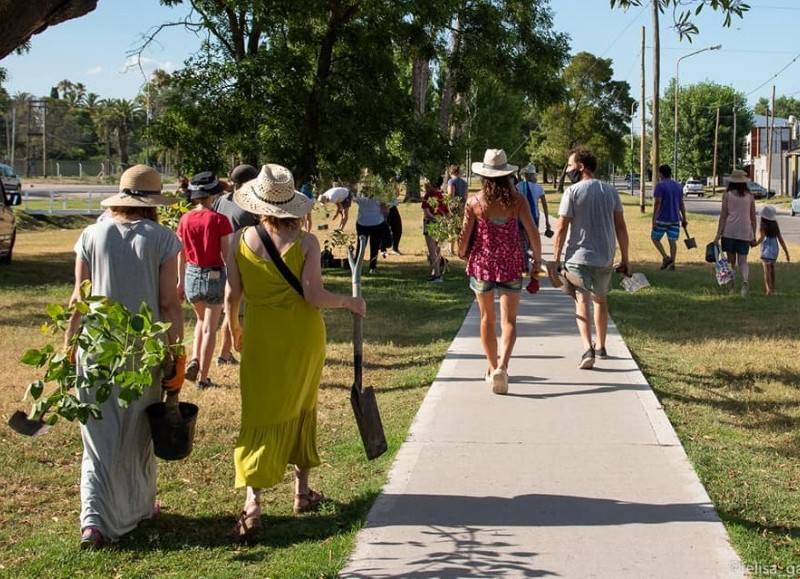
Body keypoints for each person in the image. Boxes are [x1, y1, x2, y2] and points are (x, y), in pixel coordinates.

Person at [224, 163, 366, 542]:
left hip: (260, 335)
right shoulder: (306, 243)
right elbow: (313, 296)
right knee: (303, 406)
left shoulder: (236, 241)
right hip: (302, 338)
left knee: (259, 411)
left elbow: (231, 296)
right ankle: (301, 491)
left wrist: (233, 327)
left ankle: (253, 503)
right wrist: (348, 302)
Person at [65, 165, 184, 548]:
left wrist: (69, 347)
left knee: (97, 437)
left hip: (96, 348)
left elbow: (78, 300)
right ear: (153, 203)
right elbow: (169, 304)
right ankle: (137, 506)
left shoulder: (89, 234)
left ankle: (94, 521)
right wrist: (175, 356)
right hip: (141, 349)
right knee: (137, 432)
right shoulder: (162, 238)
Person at [457, 149, 541, 394]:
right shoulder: (517, 201)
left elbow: (464, 240)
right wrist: (537, 261)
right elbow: (533, 233)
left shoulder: (474, 202)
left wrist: (460, 252)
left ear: (484, 176)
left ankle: (492, 366)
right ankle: (503, 367)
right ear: (507, 175)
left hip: (482, 265)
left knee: (486, 319)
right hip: (511, 264)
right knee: (509, 321)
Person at [551, 146, 630, 370]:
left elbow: (561, 227)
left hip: (578, 257)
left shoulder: (572, 192)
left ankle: (587, 348)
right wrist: (625, 257)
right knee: (601, 301)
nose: (567, 170)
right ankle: (602, 346)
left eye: (569, 166)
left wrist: (555, 259)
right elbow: (621, 227)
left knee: (581, 302)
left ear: (581, 166)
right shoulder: (610, 191)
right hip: (605, 256)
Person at [177, 172, 233, 388]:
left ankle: (195, 359)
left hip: (191, 274)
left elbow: (180, 252)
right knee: (210, 327)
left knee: (200, 321)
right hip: (214, 274)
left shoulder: (185, 219)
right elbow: (225, 255)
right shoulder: (219, 220)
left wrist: (180, 281)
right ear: (213, 194)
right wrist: (233, 280)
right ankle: (203, 377)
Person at [213, 164, 259, 365]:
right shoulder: (250, 205)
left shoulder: (221, 200)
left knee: (230, 309)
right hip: (242, 262)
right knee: (237, 312)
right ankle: (227, 353)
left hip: (222, 261)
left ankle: (225, 353)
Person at [714, 169, 756, 297]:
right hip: (744, 231)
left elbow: (723, 216)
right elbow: (753, 218)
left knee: (731, 261)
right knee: (743, 261)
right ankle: (745, 280)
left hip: (729, 231)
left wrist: (718, 234)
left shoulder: (727, 195)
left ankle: (732, 287)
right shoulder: (750, 196)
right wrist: (753, 234)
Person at [650, 164, 687, 270]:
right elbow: (681, 203)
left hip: (662, 218)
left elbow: (658, 202)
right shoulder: (678, 186)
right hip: (675, 218)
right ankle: (673, 263)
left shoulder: (660, 186)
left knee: (655, 238)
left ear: (660, 173)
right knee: (672, 240)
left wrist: (654, 218)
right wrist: (684, 218)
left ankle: (666, 257)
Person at [353, 183, 390, 274]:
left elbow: (355, 200)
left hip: (362, 223)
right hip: (376, 223)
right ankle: (372, 267)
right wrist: (385, 217)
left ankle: (357, 266)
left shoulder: (360, 196)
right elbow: (385, 209)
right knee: (374, 245)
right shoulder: (379, 197)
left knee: (361, 246)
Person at [756, 204, 790, 295]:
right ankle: (773, 288)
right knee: (772, 269)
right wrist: (786, 252)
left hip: (766, 250)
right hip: (775, 249)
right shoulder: (775, 225)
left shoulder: (763, 225)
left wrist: (754, 244)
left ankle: (768, 289)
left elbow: (762, 238)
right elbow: (780, 238)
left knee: (766, 271)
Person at [422, 179, 449, 282]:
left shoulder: (428, 196)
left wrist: (434, 218)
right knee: (438, 250)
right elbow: (447, 213)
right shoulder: (442, 196)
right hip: (441, 224)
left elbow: (427, 212)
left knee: (432, 251)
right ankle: (435, 272)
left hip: (431, 223)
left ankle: (437, 275)